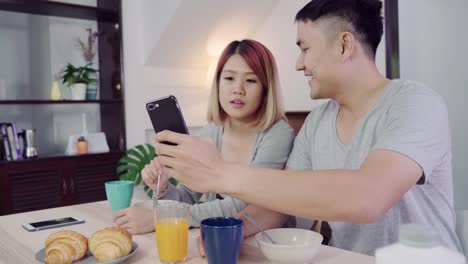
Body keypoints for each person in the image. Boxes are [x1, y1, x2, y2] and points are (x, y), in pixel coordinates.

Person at [153, 0, 462, 256]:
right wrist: (233, 228)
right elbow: (276, 205)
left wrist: (220, 173)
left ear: (343, 46)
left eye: (305, 48)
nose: (299, 64)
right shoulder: (317, 122)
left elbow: (368, 197)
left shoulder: (416, 104)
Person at [113, 39, 295, 237]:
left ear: (266, 89)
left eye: (250, 80)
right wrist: (165, 187)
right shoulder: (211, 132)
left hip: (266, 242)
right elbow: (188, 196)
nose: (238, 89)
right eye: (229, 78)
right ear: (218, 84)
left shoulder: (278, 134)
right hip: (219, 237)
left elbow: (245, 203)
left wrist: (160, 217)